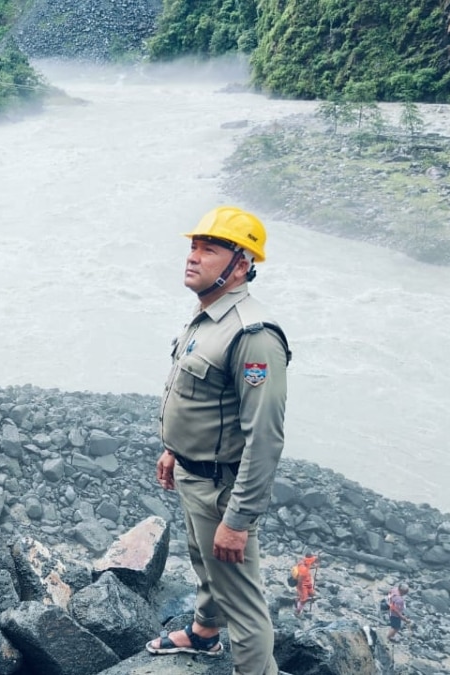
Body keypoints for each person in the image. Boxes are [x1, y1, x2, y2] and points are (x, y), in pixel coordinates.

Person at [146, 206, 290, 675]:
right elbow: (201, 397)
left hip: (222, 489)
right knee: (204, 564)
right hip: (193, 473)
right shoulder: (209, 315)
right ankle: (206, 633)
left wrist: (238, 520)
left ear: (242, 264)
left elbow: (264, 437)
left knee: (244, 605)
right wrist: (175, 450)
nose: (194, 257)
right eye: (193, 246)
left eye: (209, 249)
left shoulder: (255, 337)